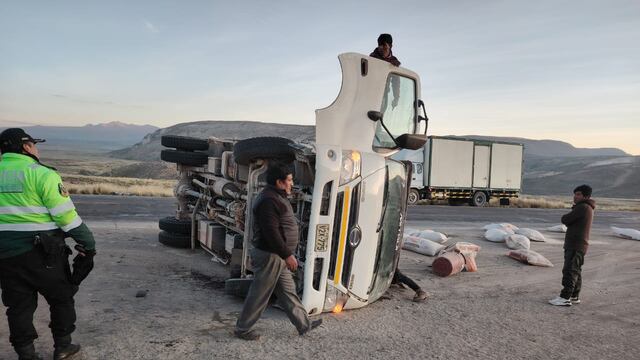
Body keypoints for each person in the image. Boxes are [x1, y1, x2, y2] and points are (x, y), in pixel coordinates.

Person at [0, 128, 96, 360]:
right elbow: (66, 217)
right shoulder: (42, 174)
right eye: (34, 144)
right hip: (44, 254)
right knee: (61, 298)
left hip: (6, 255)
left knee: (18, 306)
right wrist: (88, 243)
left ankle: (26, 354)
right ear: (25, 146)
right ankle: (63, 347)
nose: (36, 148)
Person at [234, 162, 322, 340]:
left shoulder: (276, 196)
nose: (291, 184)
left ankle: (304, 324)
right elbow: (271, 233)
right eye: (289, 180)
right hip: (270, 255)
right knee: (259, 294)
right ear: (278, 182)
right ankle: (242, 329)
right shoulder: (268, 200)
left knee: (288, 292)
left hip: (277, 256)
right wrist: (287, 254)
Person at [549, 184, 595, 306]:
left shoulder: (583, 207)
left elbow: (565, 219)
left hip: (575, 244)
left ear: (586, 196)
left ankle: (565, 297)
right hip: (579, 244)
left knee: (569, 270)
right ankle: (574, 296)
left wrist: (568, 215)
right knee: (576, 271)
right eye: (575, 194)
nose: (575, 197)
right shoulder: (586, 207)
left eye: (578, 194)